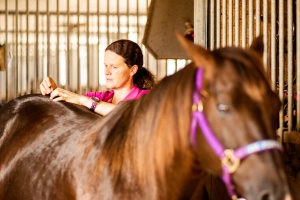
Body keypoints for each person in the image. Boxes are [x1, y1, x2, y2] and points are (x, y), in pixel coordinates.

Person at [40, 39, 156, 116]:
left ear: (132, 70)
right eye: (106, 66)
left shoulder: (147, 98)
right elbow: (67, 107)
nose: (107, 71)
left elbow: (127, 115)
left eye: (114, 67)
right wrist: (53, 90)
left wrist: (84, 101)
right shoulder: (99, 97)